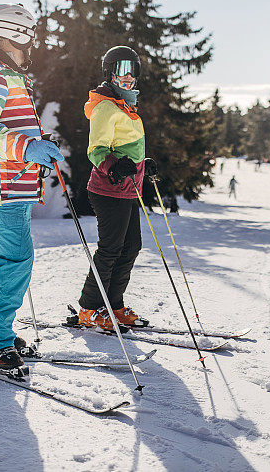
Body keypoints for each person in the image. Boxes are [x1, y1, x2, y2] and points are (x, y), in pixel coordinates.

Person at [0, 3, 63, 369]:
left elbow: (2, 123)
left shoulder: (2, 72)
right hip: (2, 181)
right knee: (15, 259)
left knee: (0, 259)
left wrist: (34, 139)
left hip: (8, 179)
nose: (33, 44)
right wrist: (27, 147)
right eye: (31, 36)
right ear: (19, 34)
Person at [77, 45, 157, 331]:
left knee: (131, 247)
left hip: (127, 189)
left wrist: (142, 164)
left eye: (132, 72)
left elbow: (127, 147)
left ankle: (113, 305)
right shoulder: (106, 107)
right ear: (109, 73)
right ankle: (89, 309)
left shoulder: (127, 106)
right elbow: (96, 149)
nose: (127, 78)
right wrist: (113, 166)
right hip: (107, 189)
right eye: (121, 72)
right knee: (110, 249)